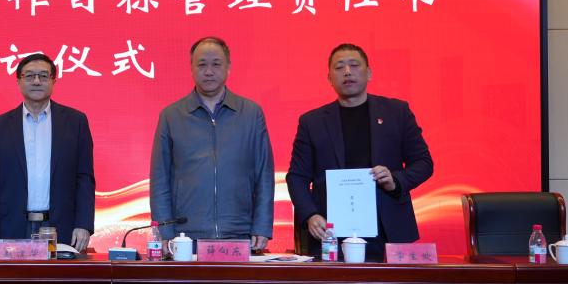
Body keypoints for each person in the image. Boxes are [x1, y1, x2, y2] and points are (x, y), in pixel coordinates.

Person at [286, 43, 433, 261]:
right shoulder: (312, 122)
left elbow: (423, 163)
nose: (347, 72)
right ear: (329, 78)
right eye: (339, 67)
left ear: (369, 73)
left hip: (388, 227)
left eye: (354, 65)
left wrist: (395, 181)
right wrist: (310, 214)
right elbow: (297, 176)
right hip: (330, 230)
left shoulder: (397, 112)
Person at [150, 36, 275, 250]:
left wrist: (262, 226)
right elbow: (160, 178)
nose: (209, 71)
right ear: (191, 68)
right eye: (202, 65)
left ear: (228, 68)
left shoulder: (251, 114)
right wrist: (165, 231)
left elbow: (264, 174)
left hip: (239, 233)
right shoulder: (171, 116)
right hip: (185, 236)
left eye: (216, 64)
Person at [0, 53, 95, 252]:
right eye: (30, 76)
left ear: (53, 81)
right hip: (11, 227)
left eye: (43, 75)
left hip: (61, 227)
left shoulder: (75, 121)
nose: (37, 81)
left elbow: (84, 177)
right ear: (19, 81)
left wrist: (83, 223)